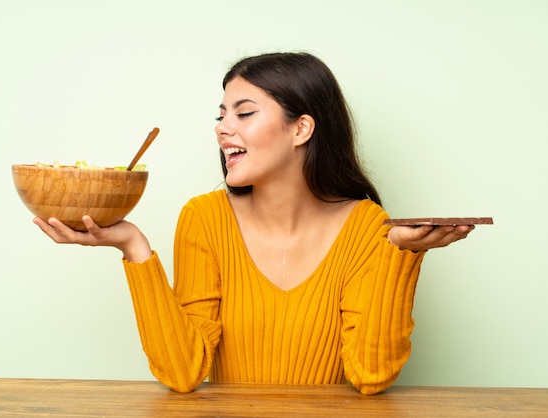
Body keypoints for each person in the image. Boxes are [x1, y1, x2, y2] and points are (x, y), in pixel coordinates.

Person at [34, 52, 474, 395]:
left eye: (243, 113)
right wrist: (132, 245)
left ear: (301, 129)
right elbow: (184, 372)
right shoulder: (204, 219)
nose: (223, 128)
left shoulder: (367, 226)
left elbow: (372, 375)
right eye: (221, 114)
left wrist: (403, 253)